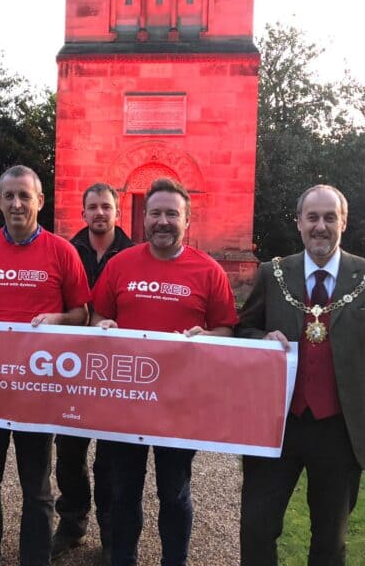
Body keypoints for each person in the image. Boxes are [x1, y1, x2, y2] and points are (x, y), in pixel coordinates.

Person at [237, 184, 365, 566]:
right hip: (276, 428)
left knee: (330, 541)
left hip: (342, 430)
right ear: (299, 223)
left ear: (343, 222)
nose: (320, 226)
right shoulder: (273, 273)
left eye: (330, 217)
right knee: (255, 528)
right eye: (312, 217)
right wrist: (262, 336)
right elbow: (242, 330)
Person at [91, 179, 238, 566]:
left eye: (172, 213)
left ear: (187, 221)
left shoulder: (208, 271)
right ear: (144, 219)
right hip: (126, 399)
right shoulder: (120, 265)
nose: (162, 221)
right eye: (155, 213)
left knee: (174, 492)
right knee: (124, 492)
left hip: (179, 403)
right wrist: (102, 325)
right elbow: (98, 315)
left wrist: (206, 335)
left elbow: (226, 328)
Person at [0, 165, 91, 566]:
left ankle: (36, 559)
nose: (17, 204)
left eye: (24, 196)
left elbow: (81, 313)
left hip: (37, 389)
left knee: (36, 487)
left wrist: (58, 320)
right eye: (9, 196)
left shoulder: (62, 251)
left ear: (39, 201)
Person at [53, 183, 134, 564]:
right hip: (70, 369)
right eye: (92, 207)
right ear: (83, 213)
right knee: (68, 452)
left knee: (111, 458)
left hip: (113, 373)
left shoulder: (135, 255)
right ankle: (71, 522)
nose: (99, 213)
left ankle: (109, 526)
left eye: (106, 207)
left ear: (117, 212)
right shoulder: (65, 252)